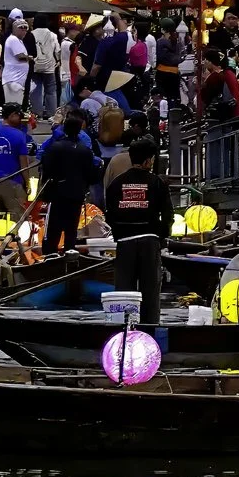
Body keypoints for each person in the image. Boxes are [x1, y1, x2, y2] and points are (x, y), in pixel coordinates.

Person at [101, 137, 171, 325]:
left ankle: (123, 331)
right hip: (149, 241)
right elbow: (168, 215)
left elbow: (110, 214)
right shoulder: (157, 182)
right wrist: (161, 237)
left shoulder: (116, 184)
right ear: (148, 160)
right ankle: (150, 329)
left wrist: (119, 234)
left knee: (124, 293)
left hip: (125, 243)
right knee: (150, 292)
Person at [35, 114, 101, 255]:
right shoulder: (85, 151)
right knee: (72, 228)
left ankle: (51, 254)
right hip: (77, 193)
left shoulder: (55, 147)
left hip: (58, 193)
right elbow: (91, 175)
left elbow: (46, 169)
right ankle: (69, 253)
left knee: (54, 226)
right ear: (79, 130)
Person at [0, 107, 33, 217]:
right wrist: (28, 184)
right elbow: (24, 165)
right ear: (12, 115)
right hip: (12, 184)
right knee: (18, 219)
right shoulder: (19, 135)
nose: (20, 119)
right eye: (19, 116)